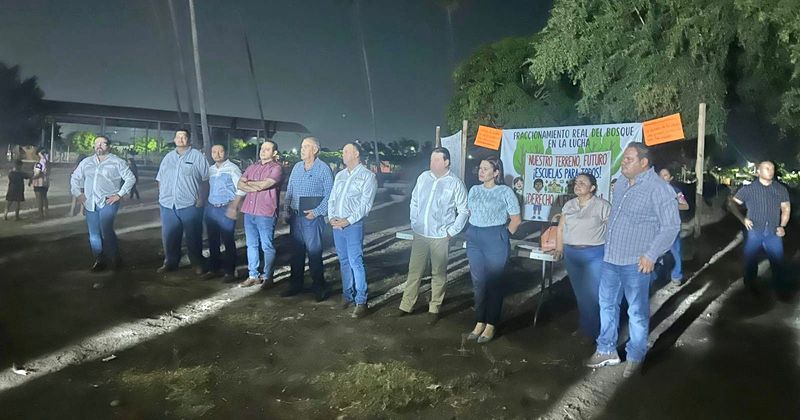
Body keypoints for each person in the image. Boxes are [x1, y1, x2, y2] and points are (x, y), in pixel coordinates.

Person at [585, 143, 680, 378]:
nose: (623, 162)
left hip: (636, 263)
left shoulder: (659, 189)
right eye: (623, 159)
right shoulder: (620, 184)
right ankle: (606, 349)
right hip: (611, 259)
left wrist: (651, 254)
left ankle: (636, 355)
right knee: (607, 305)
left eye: (628, 159)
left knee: (636, 312)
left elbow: (671, 226)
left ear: (644, 162)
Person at [397, 147, 469, 325]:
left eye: (437, 160)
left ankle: (434, 307)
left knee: (438, 273)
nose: (433, 163)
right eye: (432, 159)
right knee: (415, 271)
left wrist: (451, 232)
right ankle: (407, 305)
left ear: (447, 162)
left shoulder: (455, 183)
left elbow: (464, 211)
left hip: (440, 236)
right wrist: (414, 221)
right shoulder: (423, 178)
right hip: (420, 234)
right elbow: (414, 201)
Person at [464, 156, 521, 343]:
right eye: (480, 168)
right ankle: (480, 321)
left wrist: (503, 236)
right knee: (478, 283)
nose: (481, 171)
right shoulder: (473, 190)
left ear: (496, 173)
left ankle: (491, 324)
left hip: (495, 237)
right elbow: (468, 212)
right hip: (474, 237)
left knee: (494, 283)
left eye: (486, 169)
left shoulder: (505, 191)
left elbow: (515, 219)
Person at [554, 173, 611, 341]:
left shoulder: (602, 205)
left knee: (593, 295)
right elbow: (561, 228)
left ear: (592, 188)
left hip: (594, 255)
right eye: (576, 182)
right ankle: (586, 328)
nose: (577, 185)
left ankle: (599, 332)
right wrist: (559, 248)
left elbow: (612, 231)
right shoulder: (569, 205)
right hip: (572, 255)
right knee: (580, 295)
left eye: (582, 183)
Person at [70, 136, 137, 271]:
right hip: (90, 203)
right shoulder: (86, 162)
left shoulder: (117, 162)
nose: (99, 145)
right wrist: (78, 193)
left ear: (109, 146)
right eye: (96, 143)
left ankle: (115, 258)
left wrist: (119, 194)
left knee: (106, 230)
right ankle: (100, 259)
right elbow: (75, 178)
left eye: (102, 143)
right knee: (94, 234)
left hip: (108, 201)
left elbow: (130, 178)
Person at [328, 143, 377, 318]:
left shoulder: (367, 176)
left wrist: (347, 221)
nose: (343, 154)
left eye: (347, 151)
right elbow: (332, 198)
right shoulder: (340, 175)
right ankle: (347, 295)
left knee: (355, 261)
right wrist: (331, 217)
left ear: (356, 154)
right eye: (343, 151)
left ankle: (361, 301)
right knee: (343, 261)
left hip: (353, 225)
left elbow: (365, 205)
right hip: (337, 225)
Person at [728, 160, 791, 296]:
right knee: (750, 260)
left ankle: (780, 289)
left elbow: (786, 208)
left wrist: (783, 226)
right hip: (754, 231)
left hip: (774, 231)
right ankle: (750, 287)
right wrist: (742, 219)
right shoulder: (749, 189)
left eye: (772, 168)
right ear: (758, 172)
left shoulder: (780, 189)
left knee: (777, 261)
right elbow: (732, 203)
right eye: (767, 168)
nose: (771, 171)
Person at [283, 136, 334, 301]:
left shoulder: (323, 169)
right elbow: (290, 190)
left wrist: (318, 211)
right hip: (296, 217)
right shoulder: (297, 167)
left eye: (306, 146)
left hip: (312, 218)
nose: (302, 149)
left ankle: (318, 287)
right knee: (296, 253)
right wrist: (286, 210)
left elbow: (330, 195)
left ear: (315, 150)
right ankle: (295, 285)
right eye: (301, 146)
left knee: (314, 254)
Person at [155, 129, 210, 275]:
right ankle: (170, 262)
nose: (180, 139)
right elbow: (160, 178)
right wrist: (162, 195)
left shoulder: (198, 157)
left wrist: (201, 199)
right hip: (168, 205)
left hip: (190, 205)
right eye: (178, 137)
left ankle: (197, 263)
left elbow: (205, 181)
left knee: (193, 235)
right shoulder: (168, 157)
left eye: (184, 137)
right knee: (170, 236)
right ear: (174, 139)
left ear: (189, 140)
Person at [236, 140, 283, 287]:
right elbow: (239, 184)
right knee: (251, 244)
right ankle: (253, 275)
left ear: (274, 153)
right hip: (249, 211)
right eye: (262, 148)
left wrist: (249, 184)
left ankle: (268, 276)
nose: (263, 151)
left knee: (267, 246)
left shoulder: (277, 168)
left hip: (265, 212)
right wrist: (256, 186)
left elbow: (265, 184)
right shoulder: (252, 166)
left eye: (267, 149)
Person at [202, 144, 246, 283]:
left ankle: (229, 271)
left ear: (226, 152)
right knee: (212, 240)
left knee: (227, 240)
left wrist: (234, 206)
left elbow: (242, 188)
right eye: (214, 151)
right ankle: (214, 269)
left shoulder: (232, 168)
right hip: (211, 208)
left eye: (220, 151)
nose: (217, 154)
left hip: (225, 208)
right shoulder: (211, 170)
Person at [659, 167, 690, 284]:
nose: (662, 177)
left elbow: (685, 206)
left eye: (665, 175)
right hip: (657, 226)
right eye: (660, 175)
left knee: (674, 250)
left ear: (670, 178)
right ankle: (659, 275)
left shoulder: (676, 191)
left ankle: (676, 275)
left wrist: (672, 205)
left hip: (672, 226)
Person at [29, 147, 49, 219]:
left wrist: (31, 179)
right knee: (44, 197)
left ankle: (40, 214)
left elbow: (38, 174)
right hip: (46, 182)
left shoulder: (39, 163)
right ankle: (46, 213)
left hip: (38, 183)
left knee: (39, 199)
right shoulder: (46, 162)